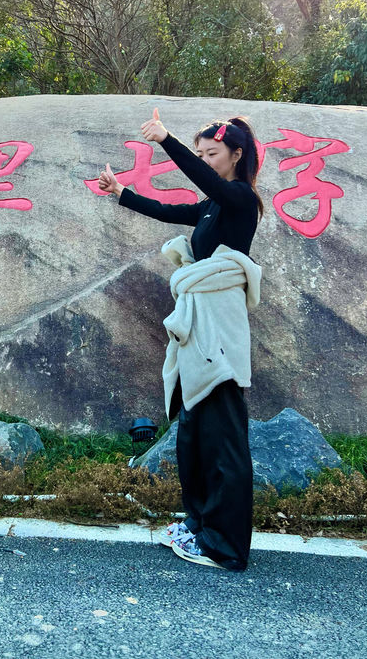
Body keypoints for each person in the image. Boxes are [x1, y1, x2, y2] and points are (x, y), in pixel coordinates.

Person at [98, 108, 263, 571]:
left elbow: (207, 184)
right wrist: (123, 193)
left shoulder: (239, 200)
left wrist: (166, 140)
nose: (206, 161)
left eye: (212, 153)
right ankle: (199, 524)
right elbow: (170, 211)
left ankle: (225, 546)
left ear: (237, 154)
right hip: (199, 327)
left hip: (221, 330)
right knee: (194, 432)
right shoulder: (213, 207)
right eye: (201, 153)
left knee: (224, 437)